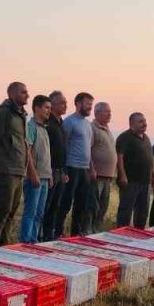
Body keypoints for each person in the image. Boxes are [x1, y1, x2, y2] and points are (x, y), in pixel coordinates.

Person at [0, 81, 36, 248]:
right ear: (12, 94)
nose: (27, 95)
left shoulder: (21, 115)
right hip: (6, 167)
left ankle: (3, 244)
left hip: (19, 168)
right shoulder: (3, 114)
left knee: (12, 210)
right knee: (4, 208)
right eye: (23, 92)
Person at [47, 92, 95, 238]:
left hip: (84, 169)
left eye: (91, 105)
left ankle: (76, 233)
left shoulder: (87, 124)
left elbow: (89, 148)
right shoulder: (69, 122)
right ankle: (58, 232)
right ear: (78, 104)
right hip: (71, 167)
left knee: (82, 203)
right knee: (65, 202)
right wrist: (65, 169)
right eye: (87, 104)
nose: (89, 108)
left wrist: (92, 168)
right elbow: (64, 144)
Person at [18, 95, 53, 243]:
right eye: (46, 107)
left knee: (39, 212)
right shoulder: (30, 127)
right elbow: (28, 151)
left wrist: (49, 175)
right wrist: (33, 173)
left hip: (45, 176)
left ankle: (33, 240)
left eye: (50, 108)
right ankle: (25, 241)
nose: (49, 111)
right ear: (37, 108)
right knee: (30, 211)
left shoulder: (44, 129)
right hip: (35, 176)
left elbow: (47, 154)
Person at [115, 112, 154, 229]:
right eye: (141, 121)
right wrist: (122, 175)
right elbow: (119, 156)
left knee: (143, 211)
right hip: (130, 181)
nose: (144, 124)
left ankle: (139, 234)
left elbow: (151, 156)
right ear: (132, 123)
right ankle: (122, 232)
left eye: (145, 121)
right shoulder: (124, 137)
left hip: (145, 181)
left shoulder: (146, 138)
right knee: (126, 209)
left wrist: (153, 174)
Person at [38, 91, 68, 241]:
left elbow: (63, 149)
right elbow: (46, 150)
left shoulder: (61, 123)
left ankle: (49, 236)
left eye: (65, 102)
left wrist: (64, 171)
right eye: (61, 103)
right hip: (49, 171)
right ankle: (39, 235)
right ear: (53, 105)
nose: (65, 105)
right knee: (45, 206)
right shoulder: (48, 124)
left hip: (60, 171)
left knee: (56, 206)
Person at [90, 101, 117, 232]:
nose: (109, 114)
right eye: (106, 112)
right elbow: (87, 150)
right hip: (97, 174)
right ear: (97, 113)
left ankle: (96, 230)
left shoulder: (107, 129)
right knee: (93, 205)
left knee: (103, 206)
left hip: (108, 175)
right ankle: (88, 230)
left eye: (110, 111)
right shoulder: (92, 128)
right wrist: (91, 168)